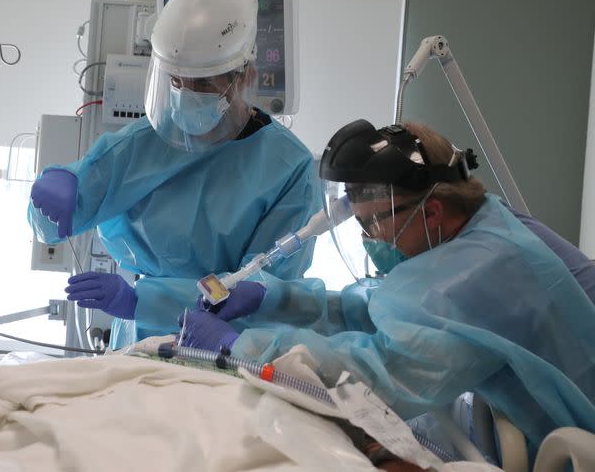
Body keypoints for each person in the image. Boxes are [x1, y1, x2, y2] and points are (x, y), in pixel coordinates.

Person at [177, 118, 595, 461]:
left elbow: (373, 376)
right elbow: (382, 308)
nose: (368, 238)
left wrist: (243, 349)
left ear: (432, 211)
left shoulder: (477, 274)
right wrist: (277, 299)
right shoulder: (477, 226)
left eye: (374, 223)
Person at [28, 0, 322, 349]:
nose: (185, 95)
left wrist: (141, 302)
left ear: (245, 77)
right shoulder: (142, 143)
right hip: (135, 342)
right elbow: (51, 225)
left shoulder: (289, 169)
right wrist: (50, 195)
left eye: (203, 84)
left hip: (226, 347)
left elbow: (265, 288)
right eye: (176, 82)